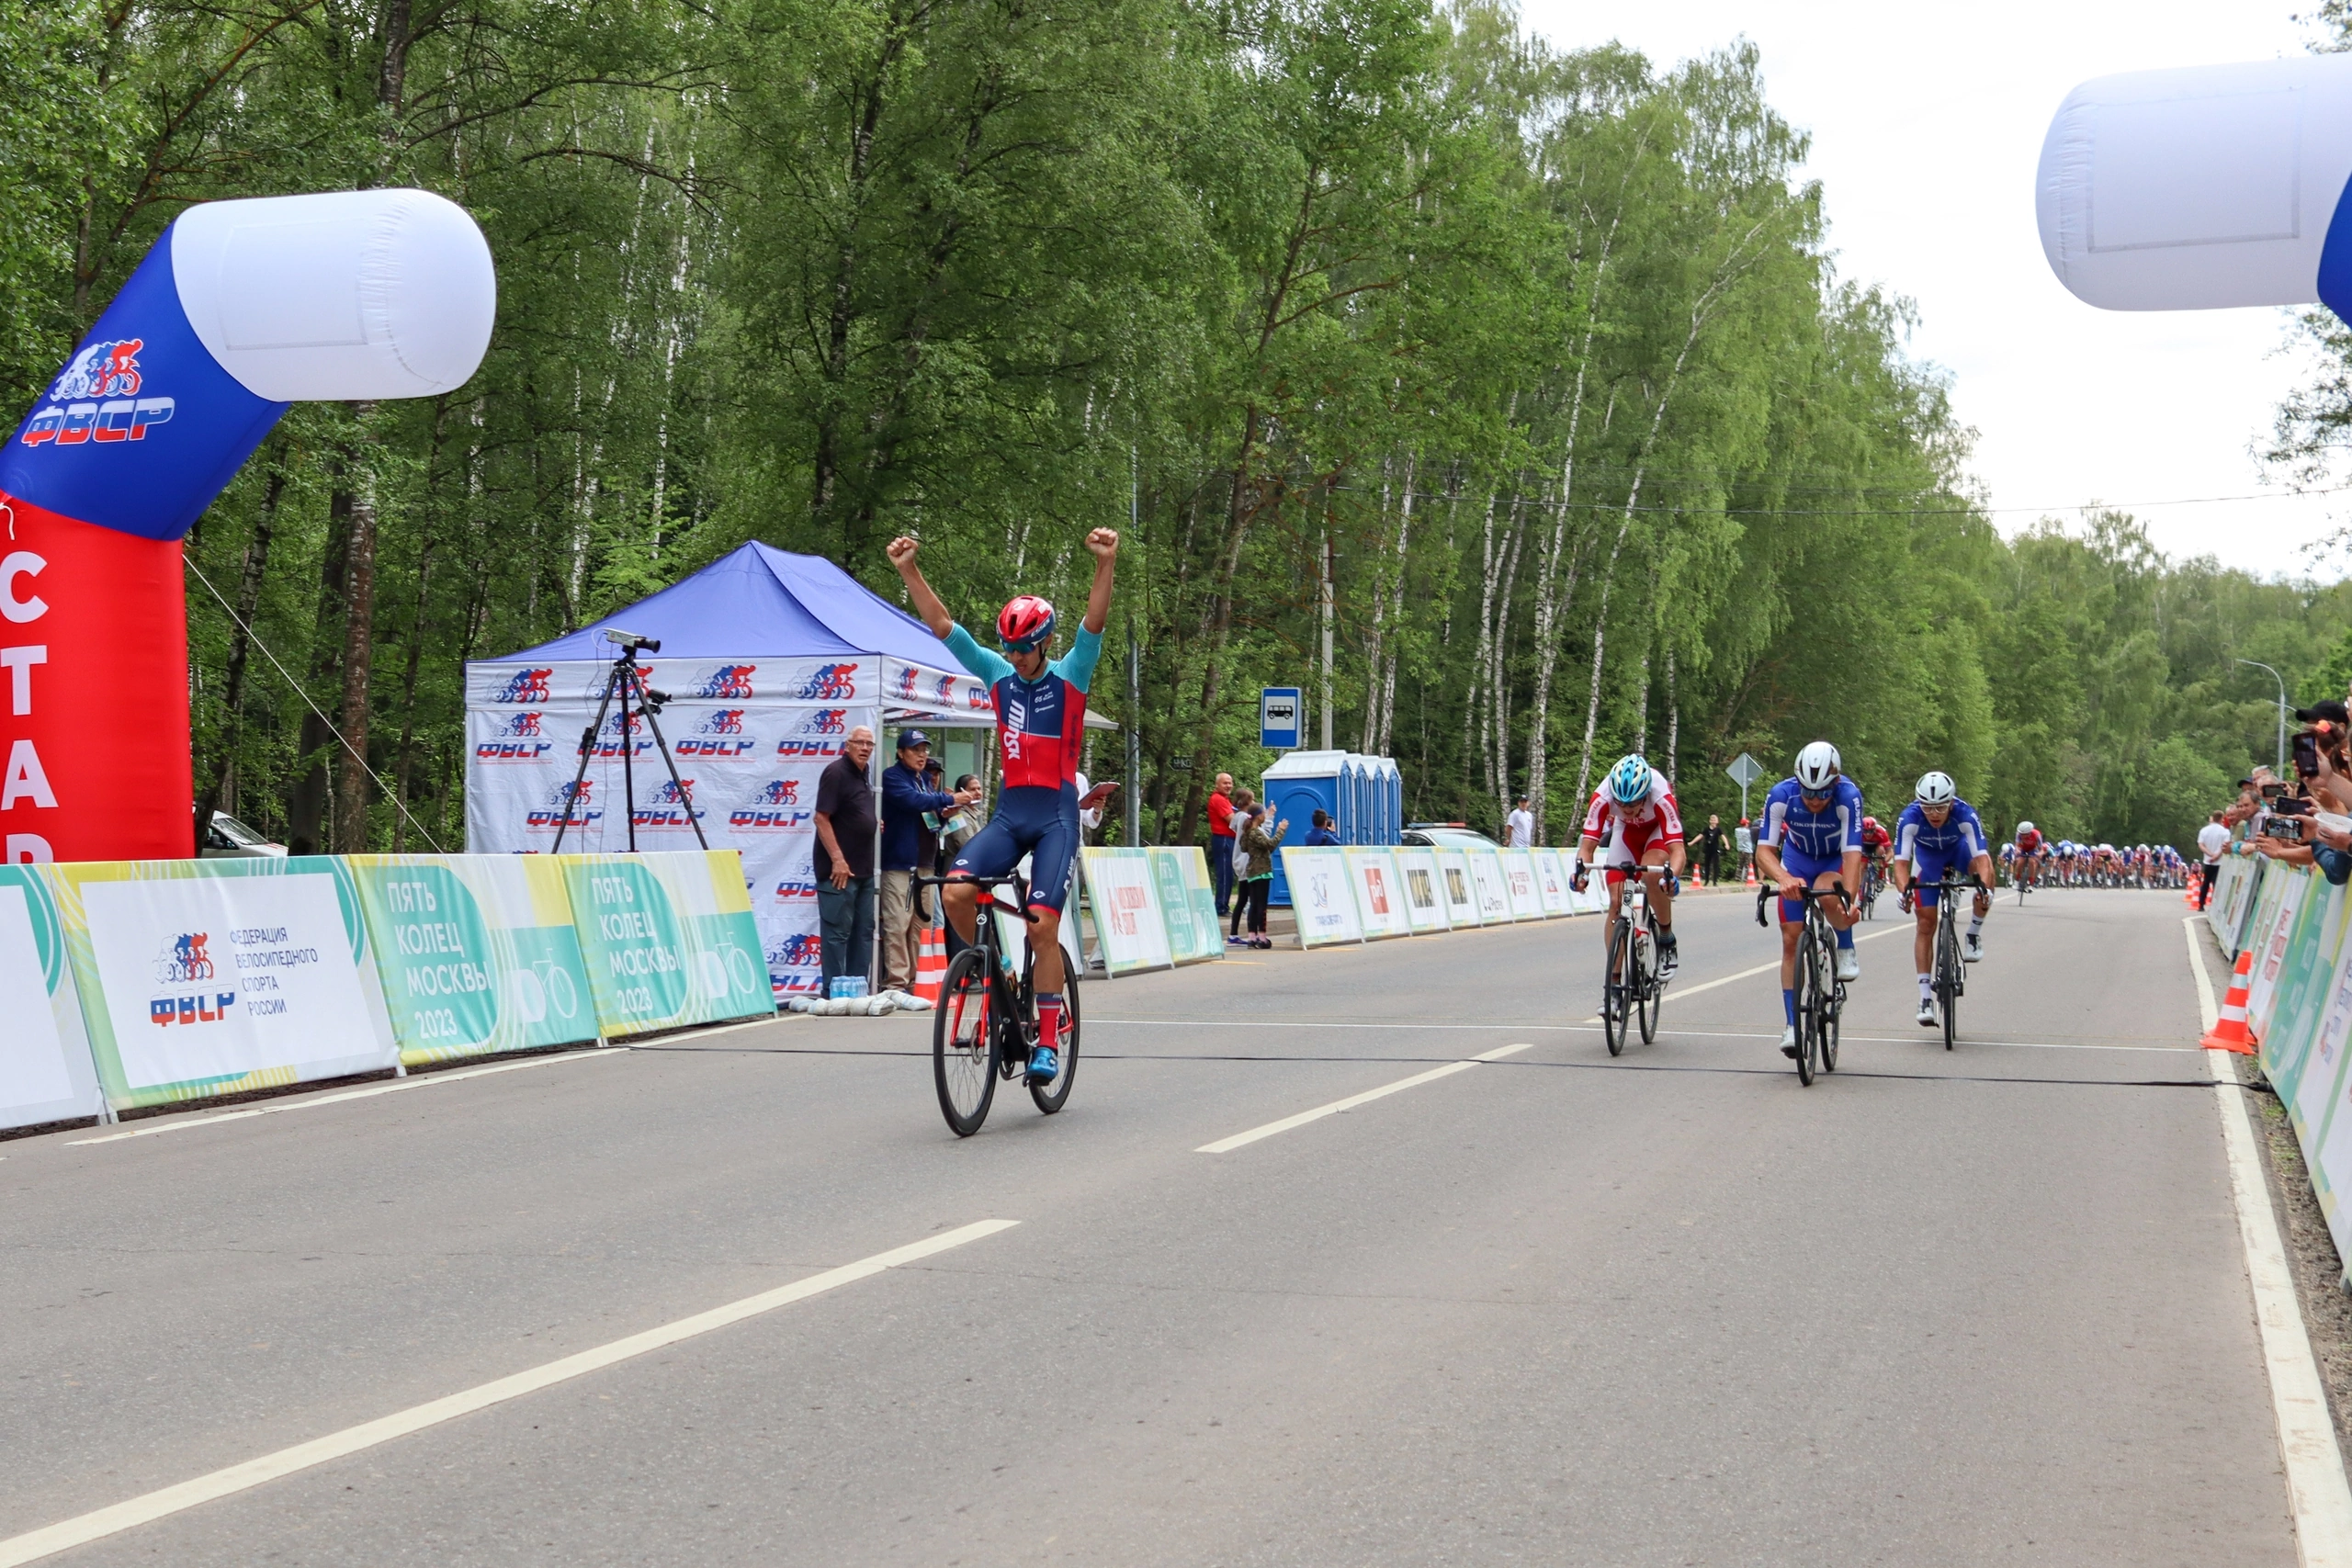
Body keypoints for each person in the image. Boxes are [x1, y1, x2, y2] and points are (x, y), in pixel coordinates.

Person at [888, 526, 1117, 1085]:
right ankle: (994, 974)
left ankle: (1045, 1040)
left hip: (1057, 816)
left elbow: (1094, 623)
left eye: (1023, 647)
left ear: (1043, 643)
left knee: (1042, 924)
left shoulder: (1072, 677)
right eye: (1009, 647)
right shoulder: (996, 675)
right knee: (956, 892)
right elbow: (945, 629)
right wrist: (908, 571)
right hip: (1012, 814)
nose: (1014, 656)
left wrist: (1104, 564)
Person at [1756, 740, 1865, 1059]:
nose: (1814, 800)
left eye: (1821, 793)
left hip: (1833, 860)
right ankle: (1792, 1026)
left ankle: (1845, 944)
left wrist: (1850, 900)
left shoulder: (1848, 797)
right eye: (1808, 792)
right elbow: (1764, 851)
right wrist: (1784, 878)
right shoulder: (1781, 795)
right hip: (1797, 858)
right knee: (1791, 940)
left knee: (1829, 891)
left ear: (1836, 783)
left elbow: (1854, 855)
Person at [1889, 771, 1996, 1029]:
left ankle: (1973, 933)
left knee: (1987, 872)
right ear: (1919, 804)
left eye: (1940, 807)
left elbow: (1980, 857)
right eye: (1927, 807)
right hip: (1928, 858)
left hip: (1958, 851)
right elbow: (1901, 863)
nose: (1934, 813)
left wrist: (1983, 887)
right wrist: (1903, 891)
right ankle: (1925, 998)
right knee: (1925, 924)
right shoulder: (1909, 818)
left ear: (1951, 802)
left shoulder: (1965, 814)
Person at [877, 730, 977, 1005]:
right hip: (899, 862)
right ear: (900, 752)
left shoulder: (923, 779)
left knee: (922, 924)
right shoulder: (893, 776)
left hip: (926, 862)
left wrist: (946, 815)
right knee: (898, 921)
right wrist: (949, 799)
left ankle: (917, 979)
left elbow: (930, 818)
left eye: (924, 750)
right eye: (915, 750)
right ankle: (896, 982)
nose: (922, 755)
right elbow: (914, 802)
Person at [1570, 753, 1686, 979]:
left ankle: (1666, 938)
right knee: (1615, 902)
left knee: (1651, 872)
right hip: (1625, 833)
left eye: (1633, 803)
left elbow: (1678, 850)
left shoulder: (1661, 795)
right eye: (1620, 803)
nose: (1626, 808)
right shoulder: (1602, 797)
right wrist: (1580, 872)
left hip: (1656, 832)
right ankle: (1613, 984)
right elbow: (1587, 846)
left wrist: (1672, 877)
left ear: (1645, 795)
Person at [812, 725, 879, 992]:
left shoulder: (864, 773)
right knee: (837, 932)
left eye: (869, 744)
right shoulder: (836, 772)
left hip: (863, 869)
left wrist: (873, 822)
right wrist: (838, 859)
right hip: (839, 870)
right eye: (859, 743)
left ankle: (856, 990)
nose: (865, 748)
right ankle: (834, 992)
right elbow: (821, 818)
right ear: (847, 745)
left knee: (863, 932)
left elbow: (854, 812)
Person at [1236, 804, 1288, 948]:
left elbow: (1245, 847)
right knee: (1261, 905)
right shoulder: (1255, 833)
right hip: (1262, 872)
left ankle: (1252, 936)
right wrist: (1280, 831)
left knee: (1253, 904)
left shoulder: (1247, 833)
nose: (1265, 816)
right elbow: (1270, 845)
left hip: (1252, 872)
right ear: (1259, 816)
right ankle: (1262, 937)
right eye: (1264, 813)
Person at [1228, 793, 1260, 944]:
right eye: (1252, 800)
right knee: (1252, 899)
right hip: (1246, 861)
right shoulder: (1244, 818)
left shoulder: (1237, 817)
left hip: (1240, 861)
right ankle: (1252, 933)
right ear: (1247, 802)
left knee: (1242, 899)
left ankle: (1234, 933)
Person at [1207, 772, 1238, 917]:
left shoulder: (1225, 799)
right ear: (1217, 785)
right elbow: (1232, 820)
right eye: (1225, 783)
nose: (1228, 786)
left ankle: (1223, 905)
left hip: (1228, 839)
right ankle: (1221, 907)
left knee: (1228, 873)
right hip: (1223, 838)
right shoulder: (1218, 799)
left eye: (1230, 783)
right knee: (1225, 873)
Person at [1696, 814, 1729, 886]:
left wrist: (1726, 844)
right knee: (1706, 865)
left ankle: (1715, 881)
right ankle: (1706, 880)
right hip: (1708, 849)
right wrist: (1692, 842)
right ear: (1710, 821)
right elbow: (1700, 836)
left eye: (1715, 820)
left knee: (1715, 865)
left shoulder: (1718, 829)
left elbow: (1723, 836)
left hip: (1715, 849)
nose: (1713, 821)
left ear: (1717, 821)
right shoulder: (1706, 829)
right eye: (1712, 820)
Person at [2013, 819, 2044, 892]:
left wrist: (2040, 853)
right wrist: (2017, 850)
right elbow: (2017, 845)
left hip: (2033, 849)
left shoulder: (2036, 835)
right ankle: (2017, 881)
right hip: (2022, 848)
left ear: (2029, 832)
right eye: (2021, 834)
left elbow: (2041, 849)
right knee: (2020, 862)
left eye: (2024, 834)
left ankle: (2031, 884)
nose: (2022, 836)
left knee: (2031, 861)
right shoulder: (2019, 834)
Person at [1734, 817, 1755, 882]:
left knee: (1739, 865)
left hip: (1740, 849)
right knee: (1748, 865)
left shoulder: (1736, 830)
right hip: (1748, 850)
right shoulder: (1749, 832)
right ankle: (1746, 878)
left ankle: (1737, 878)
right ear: (1746, 824)